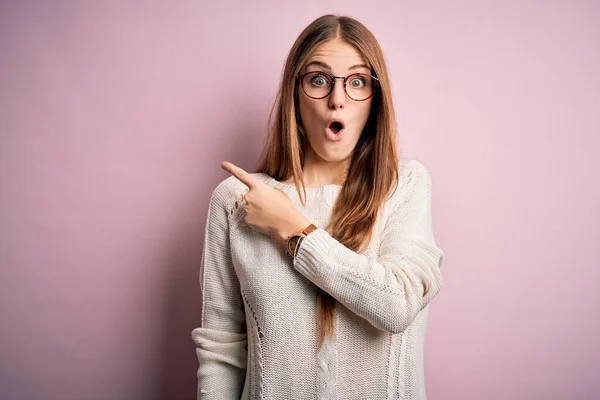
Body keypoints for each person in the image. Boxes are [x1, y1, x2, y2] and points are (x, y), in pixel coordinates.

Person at [191, 13, 445, 400]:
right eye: (319, 80)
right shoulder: (236, 200)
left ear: (375, 101)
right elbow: (222, 351)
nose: (337, 99)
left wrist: (295, 229)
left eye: (357, 81)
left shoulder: (405, 186)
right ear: (295, 94)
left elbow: (397, 306)